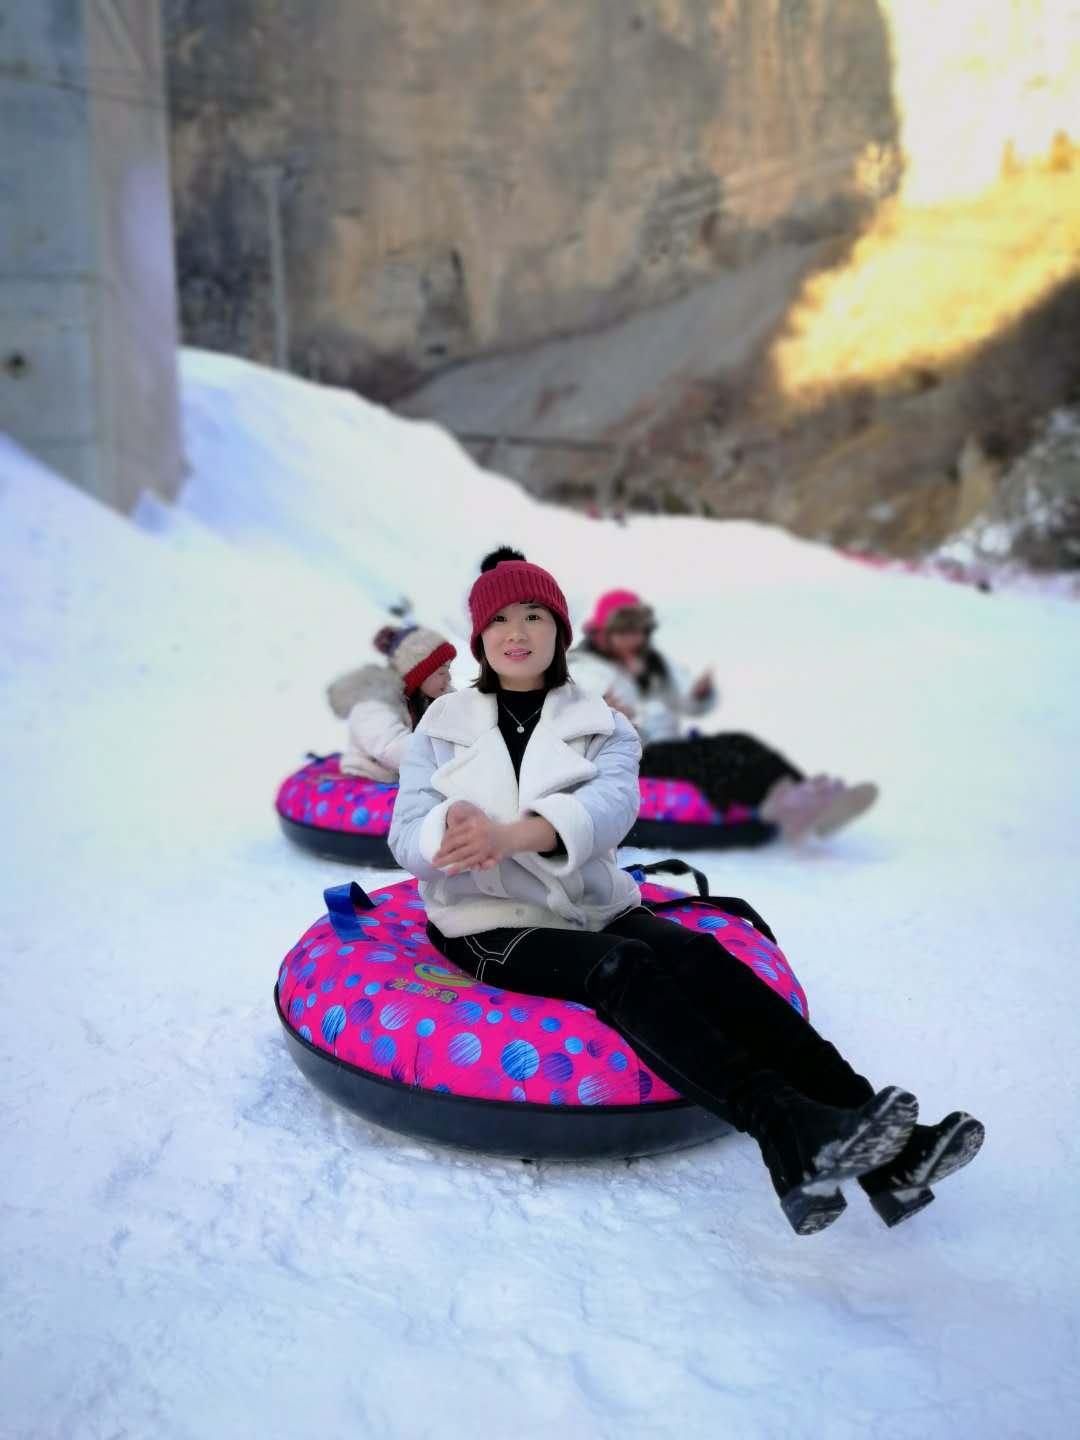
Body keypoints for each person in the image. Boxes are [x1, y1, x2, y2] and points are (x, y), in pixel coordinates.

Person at [389, 547, 983, 1235]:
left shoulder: (603, 725)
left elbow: (612, 807)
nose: (515, 632)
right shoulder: (442, 726)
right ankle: (787, 1131)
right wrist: (449, 831)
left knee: (701, 960)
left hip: (588, 900)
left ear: (559, 630)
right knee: (624, 967)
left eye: (533, 615)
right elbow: (405, 835)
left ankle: (893, 1155)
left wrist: (513, 833)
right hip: (489, 918)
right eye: (498, 620)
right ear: (479, 637)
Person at [570, 589, 878, 841]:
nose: (634, 640)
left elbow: (688, 702)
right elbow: (568, 721)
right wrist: (603, 715)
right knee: (711, 762)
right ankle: (786, 805)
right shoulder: (584, 668)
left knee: (739, 743)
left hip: (666, 744)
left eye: (638, 631)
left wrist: (700, 695)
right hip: (630, 755)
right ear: (602, 633)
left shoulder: (652, 663)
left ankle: (806, 795)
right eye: (625, 633)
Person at [327, 623, 456, 781]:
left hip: (413, 774)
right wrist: (453, 745)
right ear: (419, 675)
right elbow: (394, 750)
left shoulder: (434, 694)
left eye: (449, 669)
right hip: (372, 776)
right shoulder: (372, 705)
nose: (449, 678)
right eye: (441, 672)